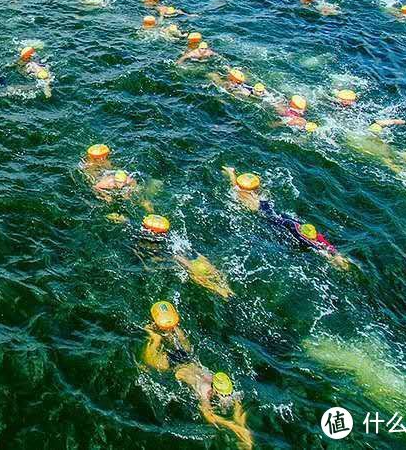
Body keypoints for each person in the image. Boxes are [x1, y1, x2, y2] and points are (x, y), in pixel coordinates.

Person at [140, 301, 253, 449]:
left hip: (187, 356)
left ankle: (172, 327)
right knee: (147, 360)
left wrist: (243, 426)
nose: (227, 397)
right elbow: (208, 415)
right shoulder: (205, 391)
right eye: (224, 395)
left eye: (227, 394)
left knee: (180, 338)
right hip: (174, 366)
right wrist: (233, 426)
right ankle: (154, 336)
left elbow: (237, 404)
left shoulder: (220, 383)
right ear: (215, 389)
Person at [222, 168, 352, 269]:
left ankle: (232, 174)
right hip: (272, 214)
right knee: (246, 197)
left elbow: (319, 246)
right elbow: (323, 245)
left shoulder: (300, 231)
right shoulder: (313, 237)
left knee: (240, 194)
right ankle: (234, 176)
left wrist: (334, 256)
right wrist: (335, 256)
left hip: (271, 213)